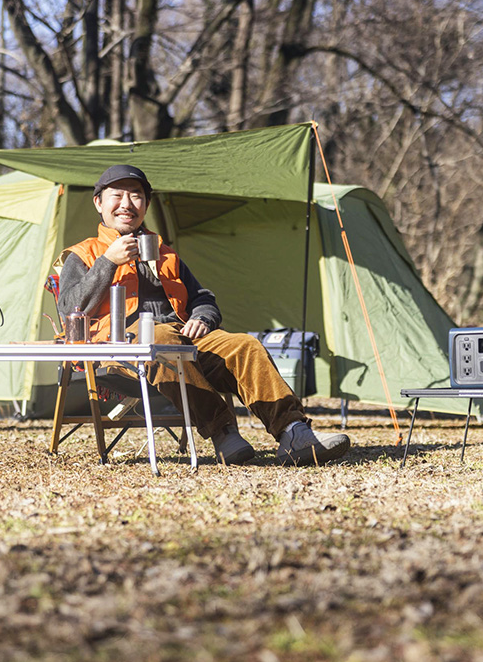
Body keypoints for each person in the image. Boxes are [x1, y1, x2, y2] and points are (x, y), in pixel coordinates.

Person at [56, 164, 350, 466]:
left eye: (136, 196)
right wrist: (107, 262)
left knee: (245, 346)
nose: (127, 204)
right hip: (123, 349)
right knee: (160, 338)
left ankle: (294, 432)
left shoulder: (164, 252)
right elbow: (69, 308)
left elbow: (202, 298)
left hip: (185, 340)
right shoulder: (83, 254)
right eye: (116, 195)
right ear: (99, 203)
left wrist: (203, 318)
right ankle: (223, 432)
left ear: (146, 204)